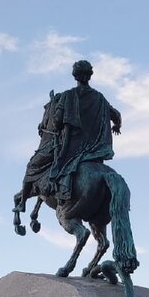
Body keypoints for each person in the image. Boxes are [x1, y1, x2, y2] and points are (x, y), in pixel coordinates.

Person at [47, 61, 121, 203]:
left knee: (58, 168)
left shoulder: (68, 95)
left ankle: (62, 190)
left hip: (74, 150)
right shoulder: (100, 98)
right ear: (90, 76)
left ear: (75, 76)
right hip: (97, 152)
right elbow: (116, 115)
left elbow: (56, 122)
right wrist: (117, 126)